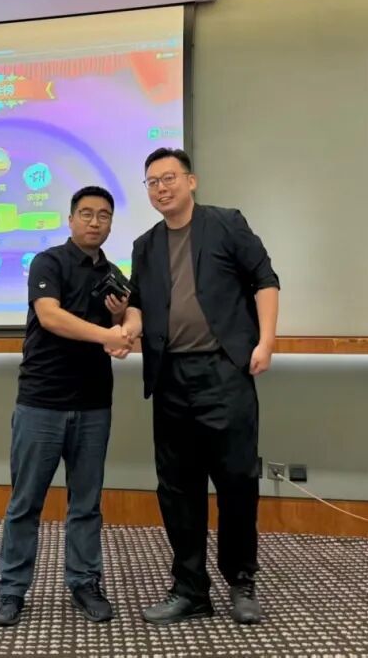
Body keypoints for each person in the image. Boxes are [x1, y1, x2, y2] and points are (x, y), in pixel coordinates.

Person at [121, 148, 280, 625]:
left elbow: (265, 280)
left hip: (224, 371)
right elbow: (137, 304)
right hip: (170, 377)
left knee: (236, 481)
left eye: (168, 178)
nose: (161, 188)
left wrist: (266, 341)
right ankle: (190, 589)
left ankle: (241, 580)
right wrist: (127, 328)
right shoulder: (145, 245)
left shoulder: (226, 223)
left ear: (191, 181)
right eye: (152, 182)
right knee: (177, 487)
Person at [0, 186, 134, 627]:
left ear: (110, 223)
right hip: (42, 402)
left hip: (94, 405)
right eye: (86, 214)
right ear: (71, 219)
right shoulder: (48, 262)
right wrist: (109, 335)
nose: (95, 222)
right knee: (25, 503)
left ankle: (84, 582)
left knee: (86, 504)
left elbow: (128, 325)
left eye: (103, 215)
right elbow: (50, 316)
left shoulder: (114, 274)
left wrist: (120, 322)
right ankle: (12, 589)